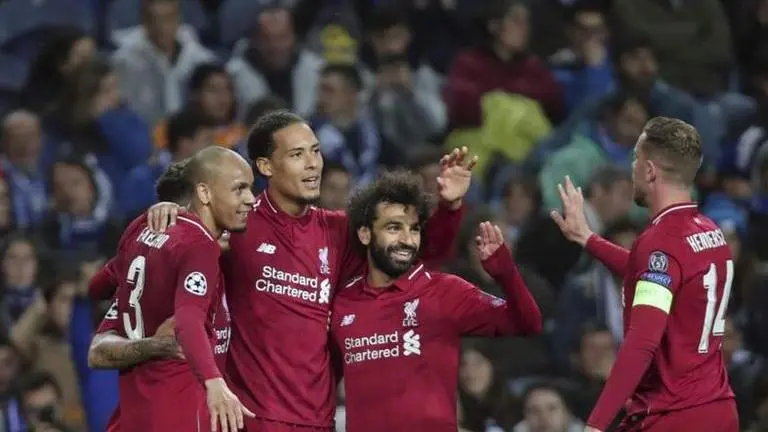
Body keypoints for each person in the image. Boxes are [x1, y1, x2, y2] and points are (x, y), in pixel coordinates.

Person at [147, 110, 474, 430]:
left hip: (320, 421)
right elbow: (183, 249)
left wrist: (450, 207)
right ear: (265, 166)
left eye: (315, 151)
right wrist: (173, 212)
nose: (313, 163)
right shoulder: (240, 223)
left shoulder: (339, 232)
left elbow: (414, 255)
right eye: (297, 154)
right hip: (254, 419)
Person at [551, 117, 738, 431]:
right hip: (718, 411)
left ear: (650, 170)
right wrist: (588, 238)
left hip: (671, 415)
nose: (632, 167)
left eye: (636, 158)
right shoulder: (710, 232)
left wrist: (595, 425)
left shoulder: (660, 242)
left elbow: (641, 341)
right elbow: (653, 277)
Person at [330, 170, 542, 431]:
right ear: (365, 234)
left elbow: (528, 323)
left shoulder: (445, 291)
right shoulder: (342, 303)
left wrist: (506, 274)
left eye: (414, 229)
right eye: (394, 227)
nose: (407, 240)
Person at [100, 148, 256, 432]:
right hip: (171, 411)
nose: (249, 201)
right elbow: (97, 352)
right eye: (238, 190)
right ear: (203, 196)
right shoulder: (191, 252)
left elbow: (101, 283)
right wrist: (212, 381)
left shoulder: (219, 254)